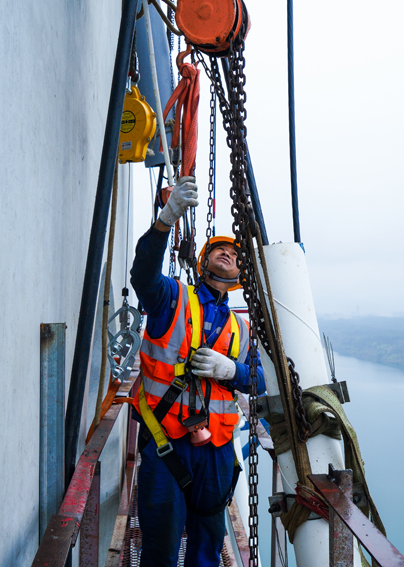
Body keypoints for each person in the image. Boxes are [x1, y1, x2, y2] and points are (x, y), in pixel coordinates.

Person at [130, 176, 266, 567]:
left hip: (217, 448)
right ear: (204, 260)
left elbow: (256, 380)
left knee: (208, 542)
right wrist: (164, 222)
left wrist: (231, 370)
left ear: (240, 276)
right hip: (166, 442)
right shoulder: (171, 297)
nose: (227, 253)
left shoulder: (241, 329)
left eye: (234, 254)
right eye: (219, 249)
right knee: (161, 544)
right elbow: (143, 277)